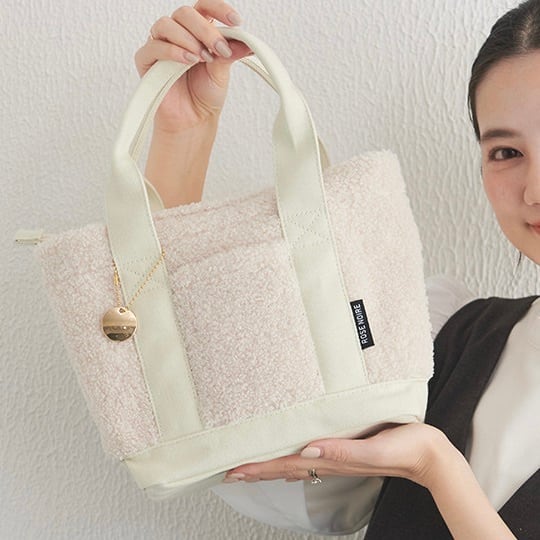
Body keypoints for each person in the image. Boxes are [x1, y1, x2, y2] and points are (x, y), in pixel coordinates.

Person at [134, 1, 540, 538]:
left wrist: (436, 467)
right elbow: (228, 438)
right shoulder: (447, 339)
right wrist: (184, 133)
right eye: (507, 152)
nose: (534, 191)